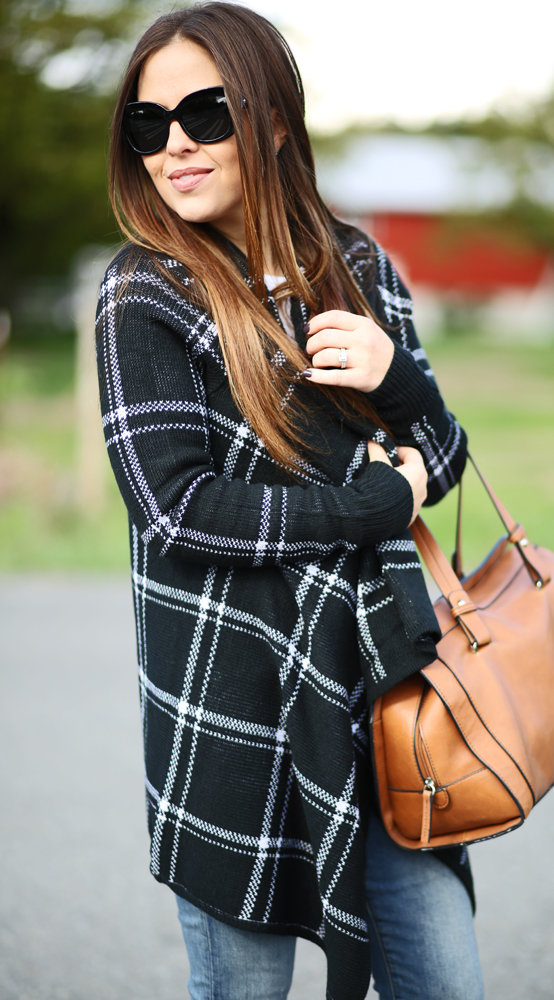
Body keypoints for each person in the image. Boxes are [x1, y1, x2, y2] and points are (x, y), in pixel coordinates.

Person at [96, 4, 484, 999]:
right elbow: (178, 509)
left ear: (270, 119)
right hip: (230, 713)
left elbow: (436, 461)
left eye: (204, 112)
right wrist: (366, 509)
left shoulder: (350, 265)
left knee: (443, 980)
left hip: (382, 700)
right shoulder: (143, 291)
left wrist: (400, 378)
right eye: (149, 124)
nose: (175, 143)